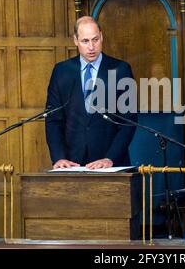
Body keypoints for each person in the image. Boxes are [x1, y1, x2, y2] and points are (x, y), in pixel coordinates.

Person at [45, 16, 137, 169]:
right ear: (75, 40)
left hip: (111, 164)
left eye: (95, 40)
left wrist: (110, 158)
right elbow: (53, 120)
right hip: (72, 164)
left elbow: (128, 122)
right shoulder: (62, 71)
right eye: (85, 41)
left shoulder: (120, 70)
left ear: (101, 36)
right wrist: (59, 158)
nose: (91, 47)